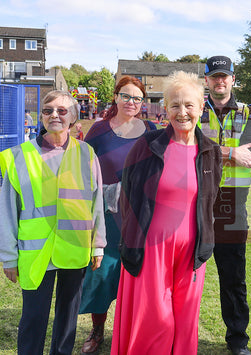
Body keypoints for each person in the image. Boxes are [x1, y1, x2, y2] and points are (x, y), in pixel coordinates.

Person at [110, 71, 222, 354]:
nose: (182, 112)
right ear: (165, 109)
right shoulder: (147, 145)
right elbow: (128, 198)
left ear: (201, 108)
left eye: (188, 105)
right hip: (151, 250)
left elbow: (209, 200)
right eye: (174, 105)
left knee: (184, 323)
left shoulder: (210, 151)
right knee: (156, 322)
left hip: (191, 253)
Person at [0, 90, 106, 355]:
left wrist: (98, 245)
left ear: (73, 116)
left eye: (61, 110)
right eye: (48, 110)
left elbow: (96, 202)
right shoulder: (18, 157)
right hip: (36, 253)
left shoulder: (87, 153)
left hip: (74, 249)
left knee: (67, 320)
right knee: (34, 319)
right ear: (41, 116)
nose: (54, 115)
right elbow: (7, 212)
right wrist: (8, 257)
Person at [78, 76, 157, 354]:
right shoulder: (99, 130)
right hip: (106, 216)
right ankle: (97, 329)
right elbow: (80, 165)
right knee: (101, 276)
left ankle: (132, 330)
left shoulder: (151, 129)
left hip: (140, 216)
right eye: (126, 96)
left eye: (137, 98)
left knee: (136, 275)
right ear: (115, 96)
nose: (131, 102)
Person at [199, 55, 251, 355]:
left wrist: (211, 152)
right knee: (185, 275)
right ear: (207, 80)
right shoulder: (193, 109)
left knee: (233, 280)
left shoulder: (250, 113)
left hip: (233, 206)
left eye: (224, 76)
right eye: (214, 76)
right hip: (196, 202)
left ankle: (237, 340)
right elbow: (187, 149)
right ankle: (177, 333)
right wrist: (230, 152)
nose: (219, 81)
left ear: (233, 79)